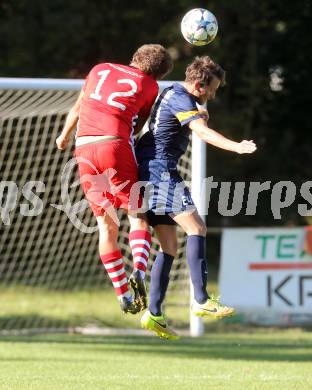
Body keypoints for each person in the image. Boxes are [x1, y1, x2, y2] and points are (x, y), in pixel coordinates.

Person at [136, 55, 257, 339]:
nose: (214, 94)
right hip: (159, 171)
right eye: (212, 88)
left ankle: (153, 313)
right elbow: (202, 132)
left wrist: (199, 111)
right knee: (197, 228)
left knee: (168, 247)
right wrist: (236, 147)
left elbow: (192, 117)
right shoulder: (181, 99)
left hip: (147, 171)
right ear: (200, 85)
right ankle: (201, 300)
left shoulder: (173, 93)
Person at [56, 44, 173, 314]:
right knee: (137, 214)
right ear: (158, 74)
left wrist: (63, 136)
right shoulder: (149, 86)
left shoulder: (100, 69)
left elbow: (78, 106)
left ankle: (122, 293)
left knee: (105, 226)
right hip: (114, 144)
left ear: (134, 57)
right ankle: (140, 271)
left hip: (83, 148)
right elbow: (137, 126)